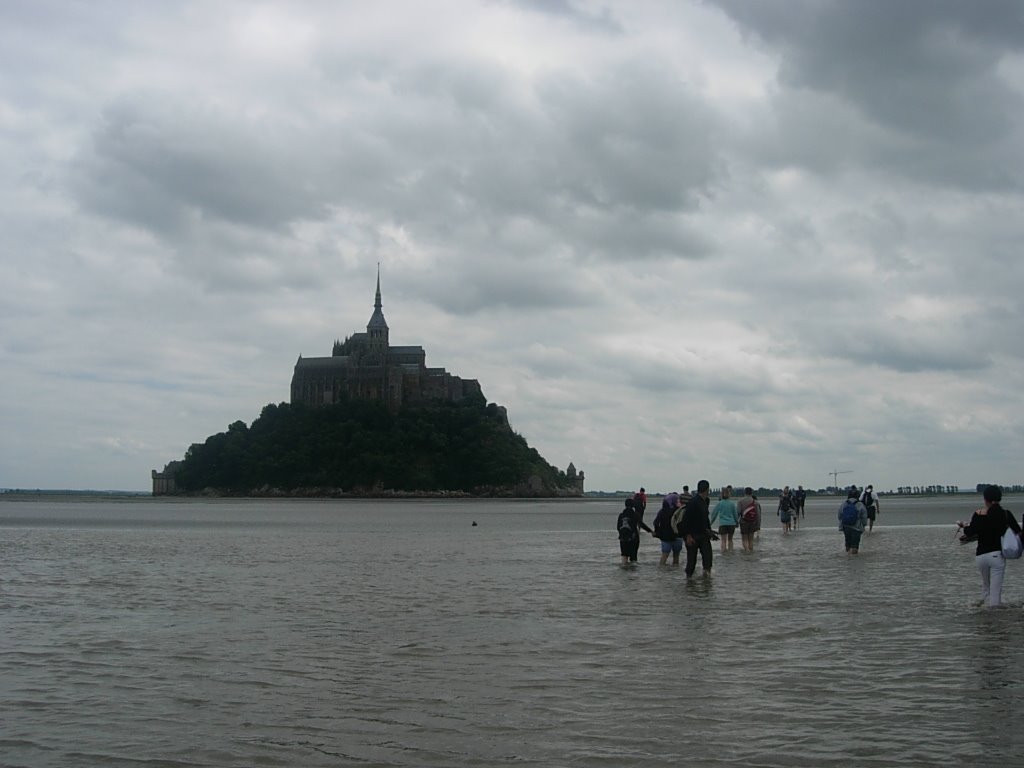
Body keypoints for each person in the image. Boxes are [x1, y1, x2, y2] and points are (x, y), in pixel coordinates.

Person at [957, 485, 1021, 607]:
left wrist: (964, 526)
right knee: (995, 594)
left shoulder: (978, 514)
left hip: (980, 556)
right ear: (1000, 498)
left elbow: (969, 532)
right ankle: (994, 618)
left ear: (985, 498)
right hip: (997, 556)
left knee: (986, 587)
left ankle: (983, 612)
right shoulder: (1005, 514)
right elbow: (1018, 532)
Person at [678, 479, 714, 577]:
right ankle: (689, 581)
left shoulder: (706, 501)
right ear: (707, 490)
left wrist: (710, 532)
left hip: (704, 534)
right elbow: (685, 521)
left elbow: (705, 518)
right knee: (691, 561)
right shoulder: (693, 502)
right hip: (692, 535)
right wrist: (688, 536)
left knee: (708, 559)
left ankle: (706, 581)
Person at [652, 493, 683, 565]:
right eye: (677, 501)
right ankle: (674, 573)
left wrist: (657, 532)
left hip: (665, 537)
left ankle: (662, 573)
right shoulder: (678, 511)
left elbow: (656, 523)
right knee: (676, 556)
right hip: (677, 536)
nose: (679, 502)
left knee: (664, 556)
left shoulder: (662, 511)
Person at [837, 486, 867, 554]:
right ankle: (853, 559)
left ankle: (848, 557)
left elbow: (839, 516)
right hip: (857, 527)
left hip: (846, 526)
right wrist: (863, 526)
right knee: (855, 545)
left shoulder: (844, 504)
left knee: (848, 543)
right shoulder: (860, 504)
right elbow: (864, 517)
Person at [710, 485, 739, 552]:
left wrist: (711, 523)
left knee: (723, 540)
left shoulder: (719, 503)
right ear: (729, 494)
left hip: (723, 524)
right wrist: (736, 522)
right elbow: (735, 514)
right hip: (731, 524)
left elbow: (714, 514)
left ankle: (723, 553)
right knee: (730, 540)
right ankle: (730, 552)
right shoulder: (732, 504)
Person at [617, 497, 640, 566]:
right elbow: (641, 524)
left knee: (624, 555)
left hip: (623, 538)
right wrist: (650, 531)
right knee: (633, 557)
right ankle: (632, 573)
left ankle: (624, 570)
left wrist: (622, 534)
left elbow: (618, 527)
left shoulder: (621, 515)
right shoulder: (635, 514)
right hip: (633, 538)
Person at [737, 487, 759, 552]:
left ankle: (746, 552)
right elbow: (757, 514)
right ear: (751, 493)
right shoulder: (755, 502)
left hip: (744, 522)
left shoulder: (740, 501)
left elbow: (738, 512)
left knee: (744, 539)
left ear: (745, 492)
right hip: (753, 522)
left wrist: (736, 522)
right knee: (751, 539)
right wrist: (758, 524)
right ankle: (751, 551)